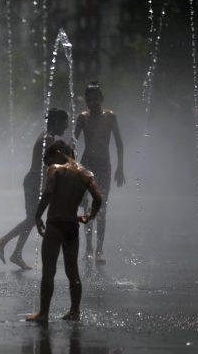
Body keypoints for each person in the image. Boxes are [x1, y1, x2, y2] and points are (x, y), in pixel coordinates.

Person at [26, 140, 102, 323]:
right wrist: (89, 216)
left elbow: (49, 193)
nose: (48, 164)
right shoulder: (86, 174)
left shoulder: (56, 169)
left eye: (49, 158)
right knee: (72, 272)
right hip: (71, 226)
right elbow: (98, 198)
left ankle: (43, 313)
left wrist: (37, 216)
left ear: (58, 153)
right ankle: (75, 311)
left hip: (55, 224)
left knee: (49, 271)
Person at [0, 109, 69, 270]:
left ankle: (16, 253)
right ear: (56, 122)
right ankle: (2, 242)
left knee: (32, 219)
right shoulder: (48, 139)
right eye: (64, 122)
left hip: (35, 180)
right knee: (32, 219)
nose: (66, 126)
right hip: (35, 181)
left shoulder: (48, 136)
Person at [75, 82, 125, 264]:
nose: (92, 102)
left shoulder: (110, 117)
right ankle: (88, 247)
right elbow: (73, 143)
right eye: (89, 99)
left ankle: (100, 249)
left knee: (102, 208)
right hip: (87, 165)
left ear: (101, 99)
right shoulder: (82, 117)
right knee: (88, 207)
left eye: (95, 98)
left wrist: (120, 167)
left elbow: (119, 143)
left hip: (104, 166)